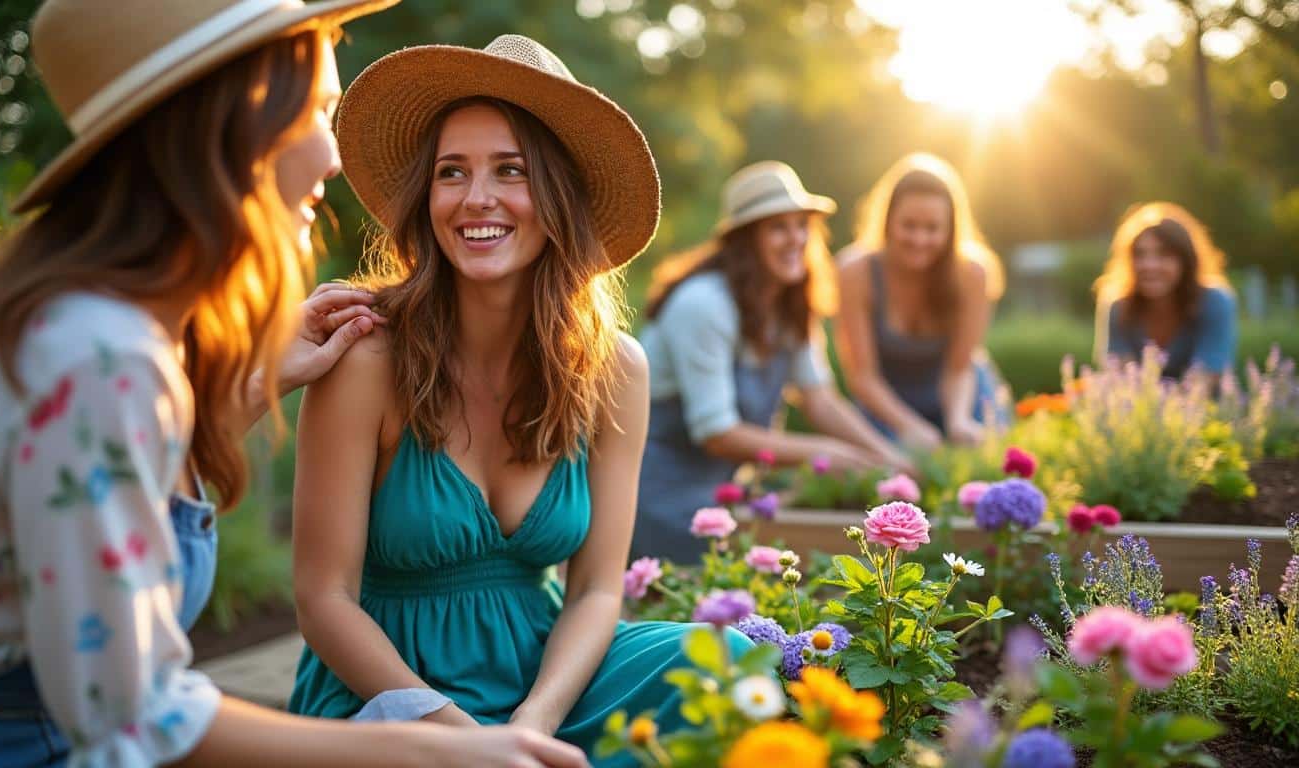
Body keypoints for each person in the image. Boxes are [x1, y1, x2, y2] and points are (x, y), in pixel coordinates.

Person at [0, 2, 587, 766]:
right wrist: (436, 752)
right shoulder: (99, 358)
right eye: (318, 111)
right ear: (232, 124)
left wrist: (248, 386)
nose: (332, 155)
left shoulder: (94, 336)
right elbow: (135, 722)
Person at [286, 35, 750, 766]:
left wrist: (531, 726)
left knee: (730, 668)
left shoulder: (615, 370)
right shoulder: (368, 359)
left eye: (511, 170)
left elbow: (597, 591)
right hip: (391, 698)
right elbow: (324, 601)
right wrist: (468, 742)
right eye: (451, 172)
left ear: (558, 196)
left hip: (545, 682)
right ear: (426, 197)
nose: (477, 198)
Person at [633, 161, 911, 562]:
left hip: (717, 496)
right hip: (656, 496)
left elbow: (820, 400)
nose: (795, 238)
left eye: (802, 225)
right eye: (778, 227)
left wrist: (887, 459)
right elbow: (717, 433)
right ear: (746, 241)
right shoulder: (703, 305)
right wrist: (825, 454)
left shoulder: (786, 306)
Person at [834, 153, 1008, 451]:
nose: (919, 239)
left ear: (950, 229)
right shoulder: (854, 271)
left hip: (962, 396)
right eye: (909, 225)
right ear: (888, 222)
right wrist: (909, 426)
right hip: (885, 404)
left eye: (932, 228)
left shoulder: (973, 273)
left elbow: (959, 367)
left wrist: (958, 421)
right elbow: (862, 376)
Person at [1093, 202, 1237, 380]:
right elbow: (1119, 380)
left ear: (1185, 260)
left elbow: (1205, 381)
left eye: (1164, 254)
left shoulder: (1214, 301)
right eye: (1140, 254)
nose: (1149, 265)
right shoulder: (1118, 306)